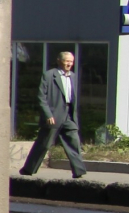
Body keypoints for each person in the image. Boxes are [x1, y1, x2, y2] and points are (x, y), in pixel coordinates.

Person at [20, 48, 89, 179]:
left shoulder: (73, 76)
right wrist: (48, 114)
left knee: (74, 142)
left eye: (71, 61)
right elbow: (41, 97)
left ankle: (79, 172)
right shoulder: (49, 75)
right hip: (54, 114)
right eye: (66, 61)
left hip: (69, 115)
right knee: (44, 144)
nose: (69, 64)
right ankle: (28, 169)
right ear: (59, 61)